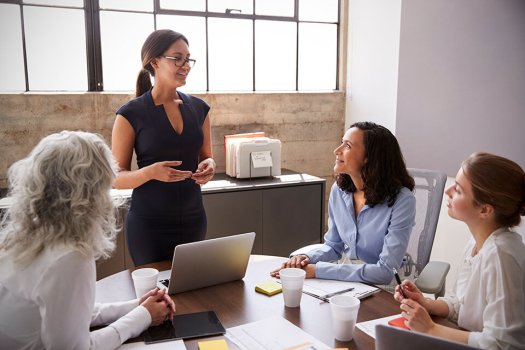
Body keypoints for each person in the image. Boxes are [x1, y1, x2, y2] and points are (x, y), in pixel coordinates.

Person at [0, 131, 175, 349]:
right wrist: (143, 317)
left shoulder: (23, 237)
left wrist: (136, 307)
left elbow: (69, 312)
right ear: (89, 194)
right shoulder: (69, 258)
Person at [394, 152, 525, 349]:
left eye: (459, 190)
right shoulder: (477, 240)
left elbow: (502, 344)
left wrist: (430, 329)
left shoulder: (500, 256)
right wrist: (426, 303)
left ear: (485, 210)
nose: (447, 192)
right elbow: (461, 304)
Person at [112, 29, 215, 265]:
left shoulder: (200, 109)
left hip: (194, 219)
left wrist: (209, 165)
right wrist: (150, 172)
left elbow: (207, 157)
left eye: (188, 59)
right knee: (156, 295)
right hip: (148, 225)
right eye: (177, 58)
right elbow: (116, 178)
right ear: (155, 61)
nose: (185, 65)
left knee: (192, 292)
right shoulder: (130, 114)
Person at [271, 121, 416, 284]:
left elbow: (385, 271)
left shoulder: (402, 201)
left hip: (387, 288)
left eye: (347, 146)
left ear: (369, 157)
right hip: (347, 280)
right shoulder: (339, 190)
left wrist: (318, 270)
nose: (336, 151)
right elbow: (334, 246)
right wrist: (305, 258)